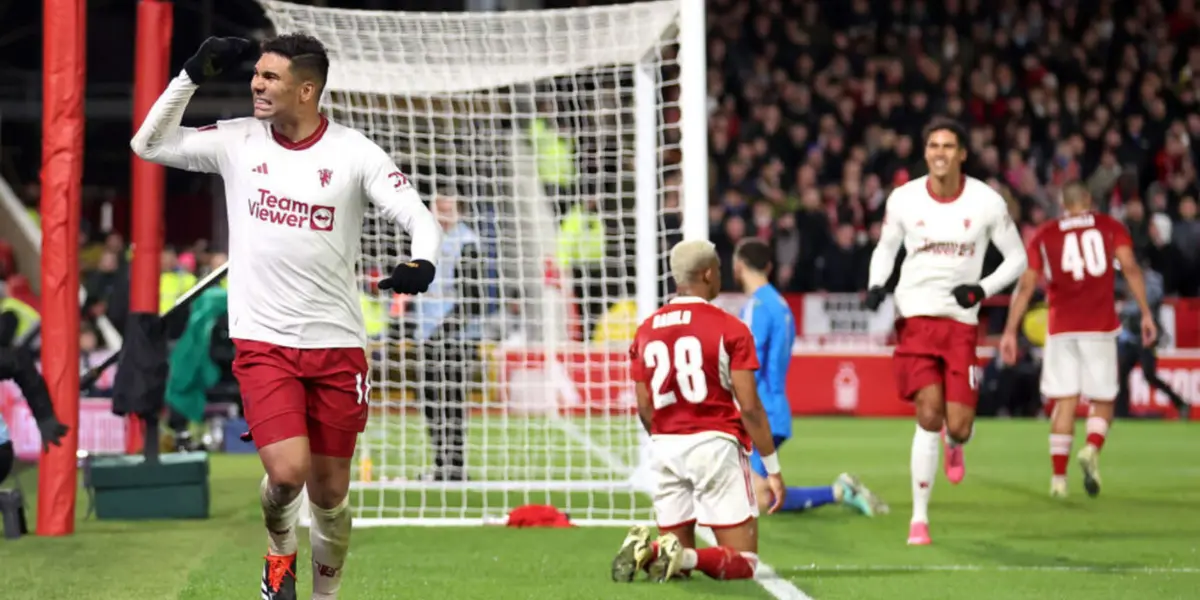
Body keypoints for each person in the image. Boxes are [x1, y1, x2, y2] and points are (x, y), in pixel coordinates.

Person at [130, 35, 442, 600]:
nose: (256, 83)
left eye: (271, 77)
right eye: (256, 74)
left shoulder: (353, 152)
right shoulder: (237, 140)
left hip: (338, 344)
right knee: (287, 473)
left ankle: (325, 595)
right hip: (264, 342)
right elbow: (147, 144)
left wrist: (423, 261)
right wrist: (190, 75)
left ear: (306, 90)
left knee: (331, 496)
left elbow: (419, 218)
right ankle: (279, 552)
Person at [863, 117, 1027, 546]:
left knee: (959, 426)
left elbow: (1018, 259)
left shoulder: (987, 202)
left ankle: (955, 443)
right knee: (928, 414)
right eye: (934, 145)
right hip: (915, 316)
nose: (940, 153)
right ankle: (919, 520)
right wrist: (877, 285)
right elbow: (886, 248)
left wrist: (981, 289)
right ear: (925, 152)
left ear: (962, 154)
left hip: (960, 323)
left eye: (949, 146)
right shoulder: (904, 198)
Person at [611, 239, 786, 584]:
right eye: (718, 269)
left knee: (675, 568)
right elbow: (750, 407)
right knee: (744, 562)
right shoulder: (730, 327)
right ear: (707, 274)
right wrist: (772, 469)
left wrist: (665, 438)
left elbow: (644, 405)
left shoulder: (646, 330)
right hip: (715, 447)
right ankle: (680, 554)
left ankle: (656, 551)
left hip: (665, 447)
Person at [1000, 182, 1156, 499]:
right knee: (1103, 400)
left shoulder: (1045, 233)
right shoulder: (1109, 226)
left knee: (1065, 403)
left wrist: (1009, 331)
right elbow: (1129, 267)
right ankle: (1091, 448)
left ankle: (1059, 480)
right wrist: (1145, 313)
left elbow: (1026, 286)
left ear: (1063, 203)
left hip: (1061, 328)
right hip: (1099, 326)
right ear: (1088, 200)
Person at [732, 239, 888, 517]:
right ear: (769, 266)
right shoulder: (780, 305)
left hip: (760, 409)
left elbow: (749, 361)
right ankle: (839, 491)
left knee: (755, 495)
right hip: (775, 407)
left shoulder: (757, 306)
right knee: (752, 491)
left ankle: (840, 491)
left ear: (739, 265)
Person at [409, 191, 487, 482]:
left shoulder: (467, 245)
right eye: (438, 208)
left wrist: (443, 332)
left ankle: (455, 466)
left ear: (460, 212)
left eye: (448, 209)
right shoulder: (424, 240)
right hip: (427, 334)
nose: (442, 215)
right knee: (430, 400)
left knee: (451, 400)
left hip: (456, 338)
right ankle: (441, 465)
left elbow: (473, 300)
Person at [1114, 261, 1188, 420]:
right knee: (1121, 374)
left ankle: (1180, 403)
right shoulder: (1126, 278)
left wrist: (1123, 307)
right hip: (1129, 337)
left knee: (1149, 375)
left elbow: (1146, 302)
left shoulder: (1153, 280)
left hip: (1147, 337)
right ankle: (1121, 412)